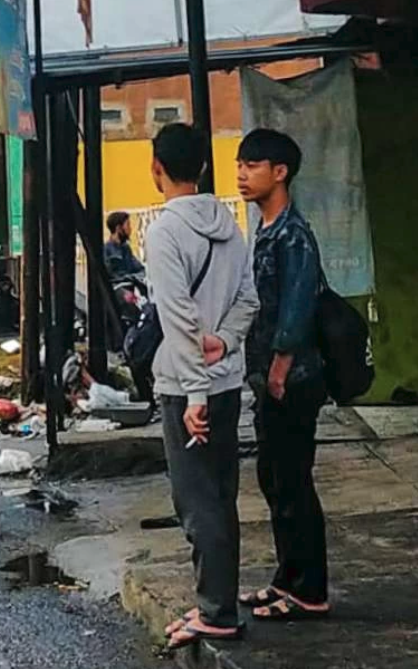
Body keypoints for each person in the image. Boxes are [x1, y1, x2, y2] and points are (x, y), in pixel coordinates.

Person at [145, 123, 260, 651]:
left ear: (157, 169)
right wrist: (226, 343)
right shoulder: (230, 224)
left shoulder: (165, 232)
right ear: (205, 169)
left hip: (186, 389)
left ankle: (216, 612)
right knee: (221, 496)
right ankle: (217, 600)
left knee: (197, 503)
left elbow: (176, 318)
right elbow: (248, 301)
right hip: (226, 381)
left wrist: (192, 394)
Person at [235, 129, 331, 622]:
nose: (242, 174)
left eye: (253, 165)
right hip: (269, 379)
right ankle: (287, 579)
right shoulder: (268, 230)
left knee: (293, 481)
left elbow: (297, 308)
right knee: (275, 479)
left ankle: (310, 590)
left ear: (281, 172)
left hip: (291, 380)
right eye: (239, 165)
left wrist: (277, 369)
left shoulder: (293, 234)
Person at [104, 212, 146, 283]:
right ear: (118, 228)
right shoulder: (107, 250)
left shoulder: (126, 248)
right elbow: (112, 276)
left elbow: (138, 267)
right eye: (128, 225)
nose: (130, 229)